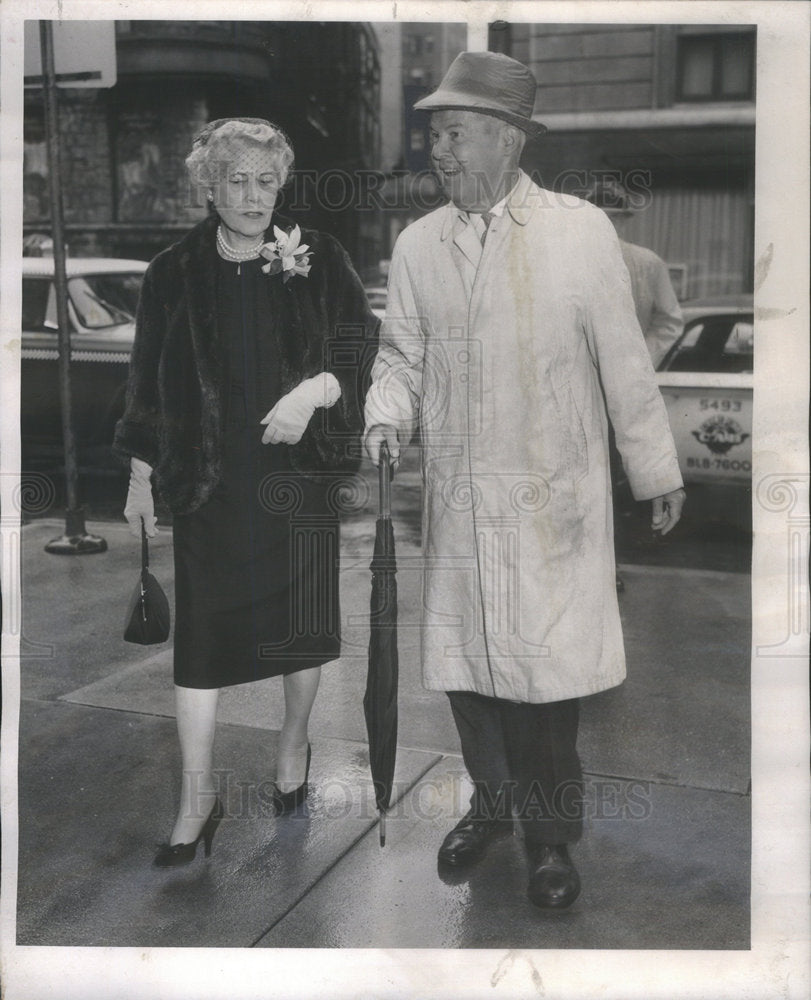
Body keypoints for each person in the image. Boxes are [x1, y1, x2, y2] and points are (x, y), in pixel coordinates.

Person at [363, 52, 685, 910]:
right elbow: (402, 354)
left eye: (454, 133)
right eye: (434, 135)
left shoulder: (577, 232)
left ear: (507, 141)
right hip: (463, 500)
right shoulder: (418, 244)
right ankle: (492, 804)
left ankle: (548, 841)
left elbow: (624, 358)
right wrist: (385, 415)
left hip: (555, 501)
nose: (439, 152)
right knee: (468, 672)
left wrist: (653, 469)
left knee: (546, 685)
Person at [114, 118, 377, 867]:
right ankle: (198, 798)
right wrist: (140, 474)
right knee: (200, 642)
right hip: (210, 483)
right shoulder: (172, 270)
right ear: (209, 185)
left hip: (296, 484)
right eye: (237, 179)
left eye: (267, 180)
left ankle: (292, 745)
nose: (254, 195)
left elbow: (361, 342)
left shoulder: (317, 257)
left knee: (300, 629)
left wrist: (317, 391)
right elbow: (148, 377)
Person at [586, 177, 683, 368]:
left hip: (629, 375)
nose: (605, 224)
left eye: (613, 218)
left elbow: (669, 321)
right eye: (597, 218)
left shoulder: (648, 264)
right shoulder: (565, 262)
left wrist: (640, 360)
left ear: (623, 221)